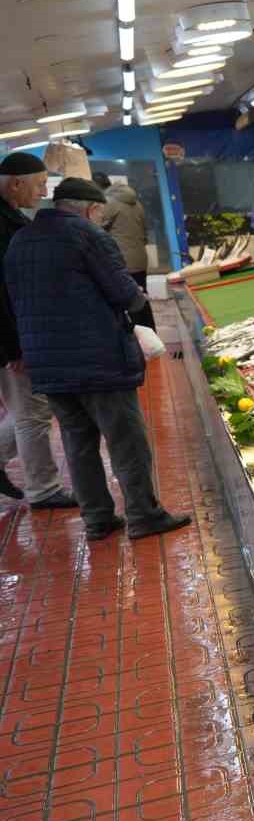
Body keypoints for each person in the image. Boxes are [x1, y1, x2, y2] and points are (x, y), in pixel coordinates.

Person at [3, 177, 189, 540]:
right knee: (126, 441)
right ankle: (143, 515)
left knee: (78, 443)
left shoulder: (19, 241)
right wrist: (136, 297)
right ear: (91, 209)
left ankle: (98, 519)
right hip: (98, 360)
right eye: (100, 212)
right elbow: (124, 294)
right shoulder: (89, 236)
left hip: (47, 364)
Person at [0, 152, 74, 509]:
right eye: (40, 184)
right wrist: (15, 348)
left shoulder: (11, 219)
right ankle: (43, 490)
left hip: (18, 334)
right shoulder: (3, 225)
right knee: (32, 412)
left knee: (25, 409)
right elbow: (3, 292)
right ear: (16, 183)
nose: (44, 192)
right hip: (12, 339)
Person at [99, 176, 156, 331]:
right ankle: (153, 338)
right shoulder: (136, 202)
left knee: (131, 303)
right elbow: (145, 232)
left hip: (123, 261)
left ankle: (141, 345)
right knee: (143, 300)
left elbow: (96, 229)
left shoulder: (108, 203)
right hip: (140, 258)